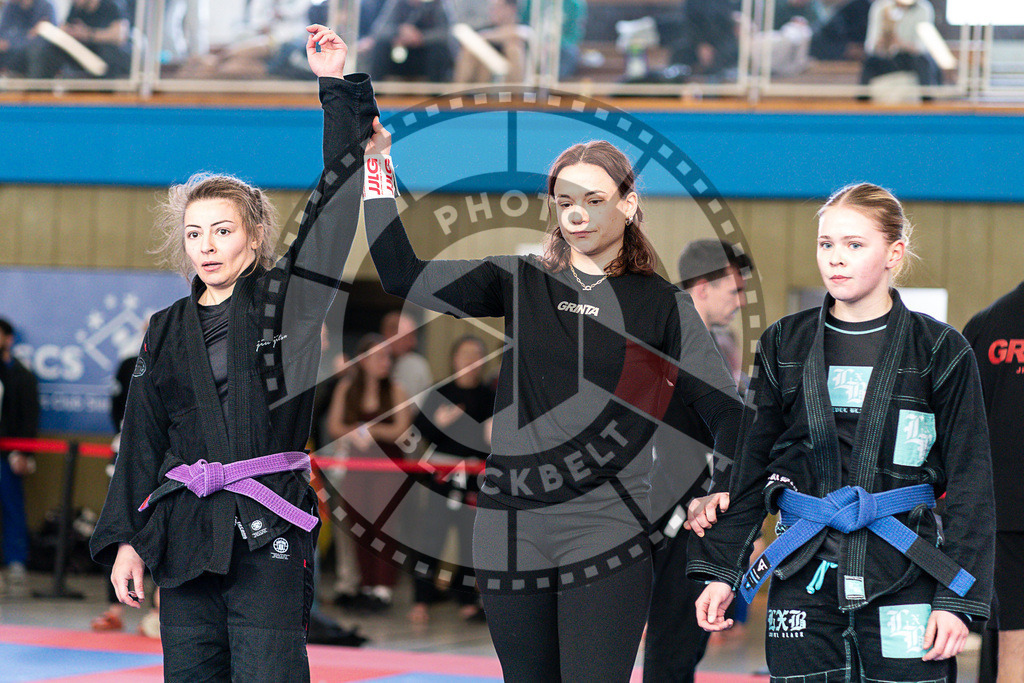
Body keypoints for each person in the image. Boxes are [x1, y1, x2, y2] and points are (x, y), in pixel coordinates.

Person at [361, 128, 742, 680]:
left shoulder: (664, 305)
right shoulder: (520, 280)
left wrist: (720, 488)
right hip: (511, 526)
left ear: (628, 204)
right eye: (565, 202)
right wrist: (377, 168)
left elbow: (730, 415)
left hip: (607, 527)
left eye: (594, 200)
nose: (577, 214)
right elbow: (401, 273)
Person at [89, 26, 378, 681]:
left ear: (254, 235)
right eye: (195, 234)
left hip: (266, 523)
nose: (207, 246)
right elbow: (142, 438)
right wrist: (127, 540)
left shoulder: (289, 301)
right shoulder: (166, 327)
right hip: (184, 529)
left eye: (222, 230)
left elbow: (335, 209)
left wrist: (336, 87)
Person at [691, 183, 995, 682]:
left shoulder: (940, 350)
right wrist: (723, 569)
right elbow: (751, 463)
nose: (835, 257)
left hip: (905, 572)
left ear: (894, 253)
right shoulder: (785, 343)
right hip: (803, 572)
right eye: (826, 243)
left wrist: (956, 600)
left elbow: (971, 482)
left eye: (855, 244)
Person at [643, 240, 751, 683]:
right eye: (734, 290)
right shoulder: (670, 343)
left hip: (697, 509)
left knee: (684, 642)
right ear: (703, 287)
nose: (739, 301)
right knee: (673, 642)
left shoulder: (709, 348)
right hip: (675, 515)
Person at [408, 334, 494, 624]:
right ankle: (421, 599)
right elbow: (416, 432)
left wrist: (492, 436)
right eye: (465, 354)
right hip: (442, 476)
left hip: (474, 477)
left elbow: (495, 440)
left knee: (470, 540)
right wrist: (438, 423)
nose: (470, 360)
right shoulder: (439, 393)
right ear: (454, 359)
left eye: (476, 355)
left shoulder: (490, 396)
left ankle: (467, 600)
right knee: (431, 538)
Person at [963, 281, 1024, 683]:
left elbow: (961, 426)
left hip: (1002, 512)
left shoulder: (986, 324)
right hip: (1002, 513)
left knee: (1013, 646)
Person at [326, 333, 412, 612]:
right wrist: (355, 431)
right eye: (378, 357)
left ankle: (383, 587)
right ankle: (365, 585)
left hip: (388, 467)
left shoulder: (395, 389)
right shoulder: (347, 388)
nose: (384, 362)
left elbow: (401, 429)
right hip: (357, 466)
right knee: (359, 524)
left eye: (387, 357)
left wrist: (369, 429)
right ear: (363, 361)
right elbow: (334, 426)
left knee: (384, 524)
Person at [0, 317, 40, 598]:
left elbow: (29, 417)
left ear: (9, 339)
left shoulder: (22, 375)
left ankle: (16, 563)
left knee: (12, 506)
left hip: (9, 453)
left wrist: (23, 452)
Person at [25, 0, 131, 78]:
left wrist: (88, 34)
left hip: (102, 58)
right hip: (80, 55)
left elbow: (119, 35)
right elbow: (66, 26)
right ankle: (39, 92)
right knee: (45, 52)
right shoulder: (77, 7)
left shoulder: (110, 5)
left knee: (109, 52)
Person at [358, 0, 453, 82]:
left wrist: (421, 37)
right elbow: (379, 30)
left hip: (424, 57)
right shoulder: (396, 4)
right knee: (380, 46)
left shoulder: (436, 5)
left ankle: (436, 92)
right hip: (398, 56)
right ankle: (375, 90)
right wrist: (399, 31)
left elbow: (445, 33)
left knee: (439, 49)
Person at [860, 0, 942, 88]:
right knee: (869, 63)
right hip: (888, 57)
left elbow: (922, 47)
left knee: (925, 63)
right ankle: (862, 96)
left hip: (911, 57)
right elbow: (870, 45)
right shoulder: (881, 6)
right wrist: (880, 43)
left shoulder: (923, 8)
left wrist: (900, 43)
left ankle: (927, 96)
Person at [381, 310, 432, 410]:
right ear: (389, 334)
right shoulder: (370, 364)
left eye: (413, 336)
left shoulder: (417, 365)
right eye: (407, 337)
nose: (413, 343)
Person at [0, 0, 55, 75]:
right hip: (12, 52)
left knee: (35, 51)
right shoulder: (11, 6)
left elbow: (46, 37)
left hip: (34, 53)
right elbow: (4, 32)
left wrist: (12, 42)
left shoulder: (45, 7)